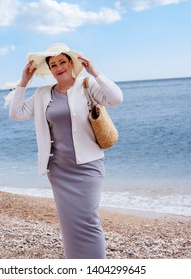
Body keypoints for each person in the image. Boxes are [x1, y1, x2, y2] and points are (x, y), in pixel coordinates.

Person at [8, 43, 123, 259]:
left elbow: (117, 99)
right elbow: (16, 113)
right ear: (50, 70)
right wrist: (23, 82)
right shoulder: (43, 94)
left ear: (71, 63)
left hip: (88, 166)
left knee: (89, 220)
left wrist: (95, 72)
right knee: (69, 224)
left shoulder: (87, 86)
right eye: (53, 65)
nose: (59, 67)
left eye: (62, 62)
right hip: (59, 170)